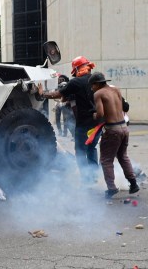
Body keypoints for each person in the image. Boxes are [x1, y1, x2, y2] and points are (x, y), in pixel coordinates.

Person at [38, 56, 101, 184]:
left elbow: (58, 94)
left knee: (80, 151)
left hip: (84, 124)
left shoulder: (76, 82)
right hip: (97, 123)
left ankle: (86, 178)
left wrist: (42, 93)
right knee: (92, 148)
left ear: (77, 69)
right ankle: (94, 176)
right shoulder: (97, 80)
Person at [89, 72, 140, 198]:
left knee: (106, 160)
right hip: (124, 127)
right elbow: (123, 107)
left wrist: (94, 115)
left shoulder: (98, 94)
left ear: (97, 84)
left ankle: (111, 188)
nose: (91, 88)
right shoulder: (116, 89)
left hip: (112, 130)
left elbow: (100, 114)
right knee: (123, 156)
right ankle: (133, 184)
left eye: (92, 85)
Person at [54, 74, 75, 138]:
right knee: (58, 119)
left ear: (63, 79)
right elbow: (54, 95)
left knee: (65, 119)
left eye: (61, 79)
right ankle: (60, 132)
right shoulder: (56, 86)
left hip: (65, 104)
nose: (59, 80)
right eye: (58, 79)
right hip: (58, 103)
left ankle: (65, 133)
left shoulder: (66, 85)